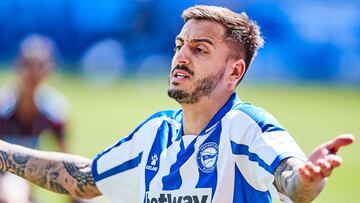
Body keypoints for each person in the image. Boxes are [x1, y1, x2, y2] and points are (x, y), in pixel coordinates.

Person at [0, 5, 355, 203]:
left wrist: (308, 180)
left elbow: (292, 179)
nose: (181, 56)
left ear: (235, 72)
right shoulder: (155, 134)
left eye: (199, 49)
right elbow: (83, 178)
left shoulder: (244, 128)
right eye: (180, 44)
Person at [0, 34, 88, 203]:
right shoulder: (3, 108)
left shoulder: (54, 110)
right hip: (6, 181)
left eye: (39, 66)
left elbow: (67, 167)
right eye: (27, 65)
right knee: (14, 191)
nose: (32, 73)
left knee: (86, 195)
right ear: (17, 67)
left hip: (27, 179)